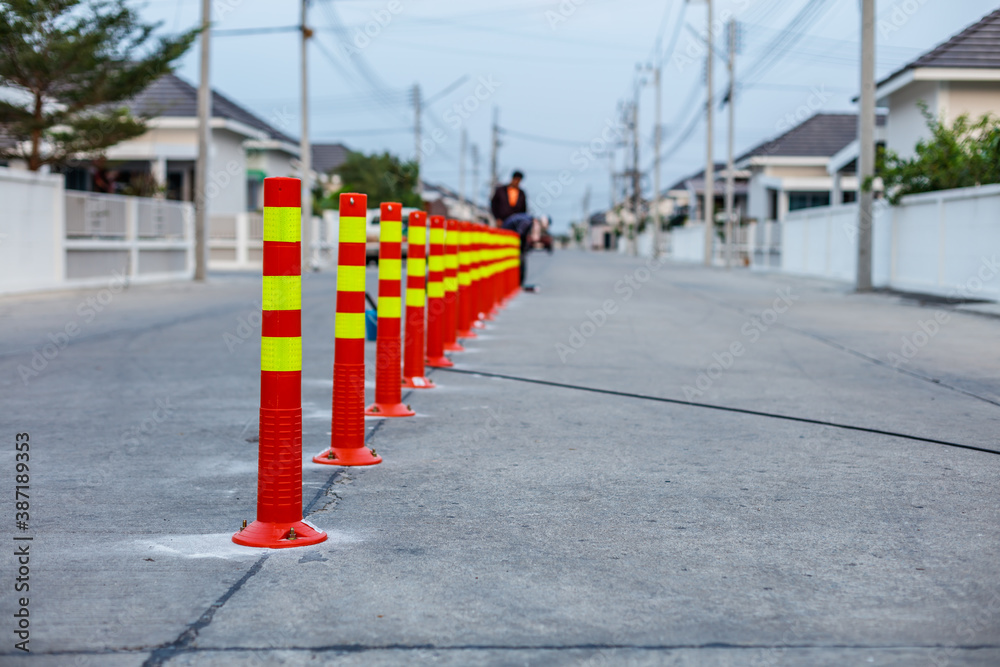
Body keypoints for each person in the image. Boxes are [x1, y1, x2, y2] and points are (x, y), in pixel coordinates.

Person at [501, 212, 534, 289]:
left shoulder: (526, 219)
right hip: (506, 234)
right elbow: (520, 233)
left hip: (506, 231)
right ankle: (517, 282)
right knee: (518, 260)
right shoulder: (528, 222)